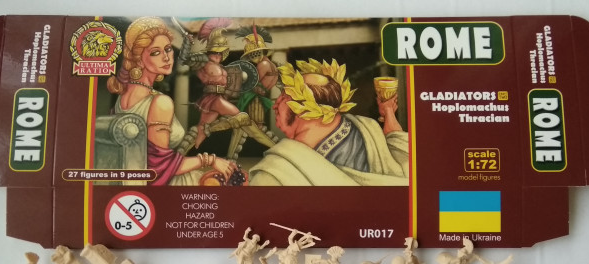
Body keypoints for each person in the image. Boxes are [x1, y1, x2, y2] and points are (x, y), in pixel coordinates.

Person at [106, 16, 235, 186]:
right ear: (139, 59)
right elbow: (160, 169)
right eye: (155, 52)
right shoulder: (161, 102)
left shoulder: (123, 97)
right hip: (164, 187)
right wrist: (210, 160)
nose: (166, 57)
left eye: (168, 49)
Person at [248, 59, 409, 186]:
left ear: (304, 108)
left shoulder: (273, 175)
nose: (275, 105)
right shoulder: (368, 128)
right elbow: (402, 153)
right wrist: (388, 112)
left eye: (283, 98)